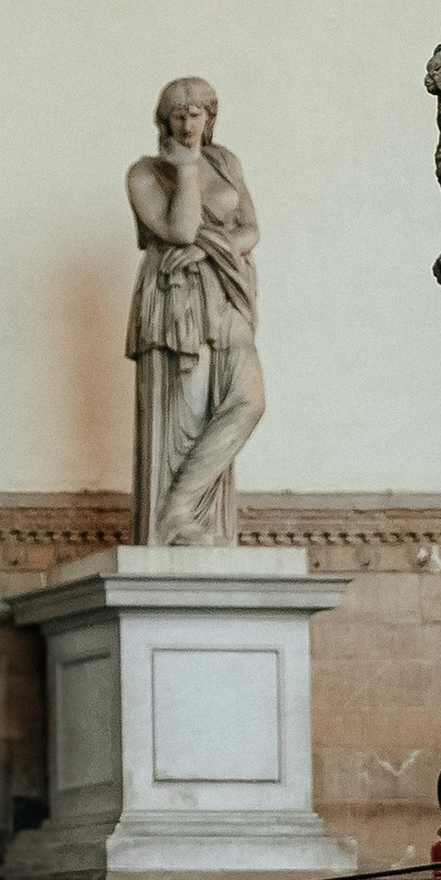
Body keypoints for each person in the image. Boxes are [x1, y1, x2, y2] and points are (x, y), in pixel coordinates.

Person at [127, 76, 264, 545]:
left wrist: (208, 249)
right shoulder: (145, 174)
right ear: (164, 121)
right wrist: (185, 170)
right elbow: (181, 231)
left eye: (196, 114)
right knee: (187, 414)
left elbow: (251, 231)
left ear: (210, 116)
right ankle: (176, 516)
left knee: (248, 402)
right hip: (178, 297)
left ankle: (181, 506)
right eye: (178, 116)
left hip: (227, 291)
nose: (188, 125)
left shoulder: (225, 162)